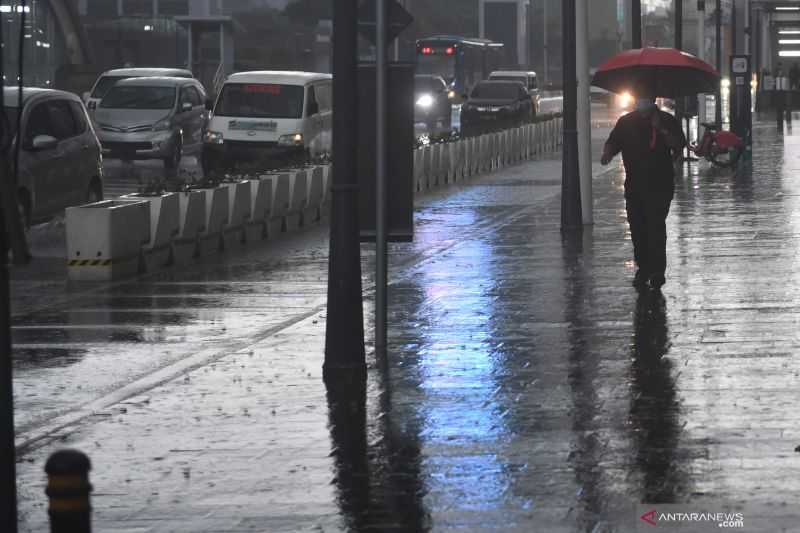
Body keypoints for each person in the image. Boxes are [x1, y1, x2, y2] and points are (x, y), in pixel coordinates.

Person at [600, 98, 686, 290]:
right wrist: (607, 153)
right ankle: (643, 267)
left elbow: (679, 144)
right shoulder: (626, 122)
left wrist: (661, 130)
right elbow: (614, 141)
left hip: (660, 185)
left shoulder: (666, 120)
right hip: (634, 186)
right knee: (638, 229)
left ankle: (657, 271)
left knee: (655, 227)